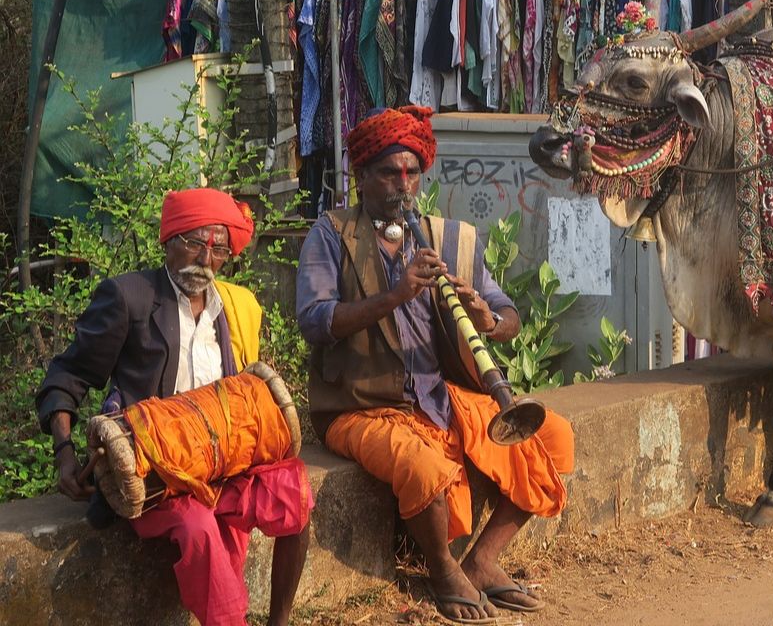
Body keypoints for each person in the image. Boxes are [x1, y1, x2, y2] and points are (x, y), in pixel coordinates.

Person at [297, 106, 574, 625]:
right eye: (388, 172)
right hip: (359, 405)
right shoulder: (331, 234)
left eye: (412, 172)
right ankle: (444, 571)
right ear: (361, 178)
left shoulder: (450, 238)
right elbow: (314, 321)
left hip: (437, 395)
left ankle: (484, 562)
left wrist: (485, 318)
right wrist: (395, 295)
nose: (403, 184)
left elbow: (509, 315)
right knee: (424, 466)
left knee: (552, 438)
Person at [35, 187, 313, 626]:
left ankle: (279, 620)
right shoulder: (129, 297)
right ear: (169, 240)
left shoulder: (232, 308)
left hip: (221, 463)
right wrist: (65, 453)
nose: (206, 258)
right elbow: (68, 376)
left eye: (218, 247)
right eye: (194, 242)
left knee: (293, 490)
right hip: (154, 472)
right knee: (198, 528)